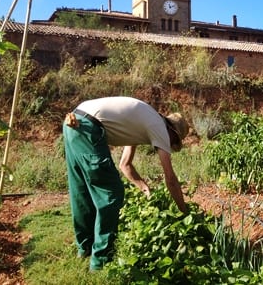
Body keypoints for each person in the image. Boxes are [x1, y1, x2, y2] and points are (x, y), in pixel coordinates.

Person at [62, 96, 189, 271]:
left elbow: (125, 165)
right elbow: (171, 179)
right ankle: (100, 261)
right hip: (89, 126)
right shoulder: (159, 127)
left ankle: (84, 248)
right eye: (174, 141)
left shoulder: (143, 121)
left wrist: (143, 187)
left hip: (75, 123)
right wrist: (184, 212)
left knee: (82, 191)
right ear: (172, 131)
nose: (171, 145)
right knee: (111, 193)